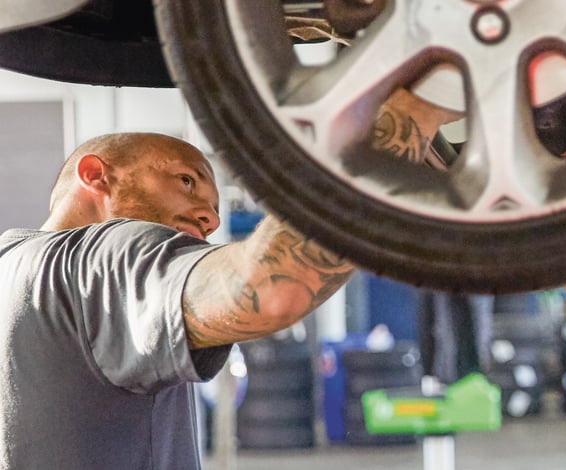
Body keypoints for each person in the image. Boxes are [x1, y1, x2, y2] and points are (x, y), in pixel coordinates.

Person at [0, 89, 452, 468]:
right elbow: (270, 290)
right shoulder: (104, 255)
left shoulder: (9, 263)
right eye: (186, 181)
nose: (210, 218)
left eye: (215, 207)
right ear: (97, 176)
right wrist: (413, 108)